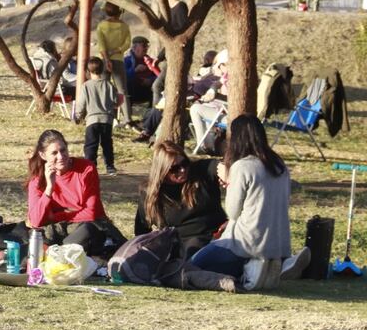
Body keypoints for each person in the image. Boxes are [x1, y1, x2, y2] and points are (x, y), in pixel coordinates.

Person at [190, 115, 310, 286]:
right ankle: (278, 263)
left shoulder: (242, 167)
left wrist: (229, 181)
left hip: (244, 242)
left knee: (195, 264)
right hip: (278, 242)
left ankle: (251, 268)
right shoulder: (279, 165)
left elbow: (232, 211)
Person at [26, 129, 125, 257]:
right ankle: (56, 256)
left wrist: (54, 217)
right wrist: (49, 188)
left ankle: (59, 256)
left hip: (89, 226)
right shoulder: (37, 180)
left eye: (63, 150)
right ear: (43, 155)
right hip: (57, 229)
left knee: (86, 231)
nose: (61, 157)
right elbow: (35, 221)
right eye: (54, 153)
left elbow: (92, 212)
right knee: (35, 238)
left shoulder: (86, 168)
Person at [135, 141, 227, 260]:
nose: (183, 170)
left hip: (217, 235)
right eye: (175, 168)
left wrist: (225, 171)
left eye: (185, 163)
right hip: (182, 247)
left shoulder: (200, 172)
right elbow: (141, 231)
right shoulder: (150, 194)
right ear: (162, 170)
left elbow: (215, 165)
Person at [74, 57, 119, 176]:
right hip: (107, 120)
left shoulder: (86, 86)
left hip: (92, 120)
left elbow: (81, 103)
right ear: (103, 69)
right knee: (107, 144)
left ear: (88, 71)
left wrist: (78, 116)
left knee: (90, 145)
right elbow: (116, 101)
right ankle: (110, 167)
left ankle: (90, 166)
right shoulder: (108, 84)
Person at [96, 2, 132, 125]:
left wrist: (106, 59)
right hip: (118, 60)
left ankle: (104, 115)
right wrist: (116, 51)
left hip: (104, 60)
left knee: (104, 88)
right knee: (122, 90)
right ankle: (127, 118)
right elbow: (127, 44)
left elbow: (101, 44)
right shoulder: (124, 26)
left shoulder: (101, 25)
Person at [190, 50, 229, 154]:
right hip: (227, 111)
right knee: (205, 106)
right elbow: (217, 84)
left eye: (221, 66)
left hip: (230, 116)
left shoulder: (233, 77)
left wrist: (213, 95)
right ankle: (209, 146)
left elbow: (230, 99)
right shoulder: (230, 75)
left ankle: (202, 146)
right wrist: (213, 90)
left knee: (195, 109)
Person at [124, 36, 158, 107]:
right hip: (133, 92)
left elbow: (159, 76)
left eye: (147, 46)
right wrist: (134, 70)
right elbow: (122, 77)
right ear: (134, 48)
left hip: (148, 91)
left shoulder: (150, 61)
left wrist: (150, 80)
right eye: (144, 46)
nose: (146, 49)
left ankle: (153, 113)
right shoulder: (127, 60)